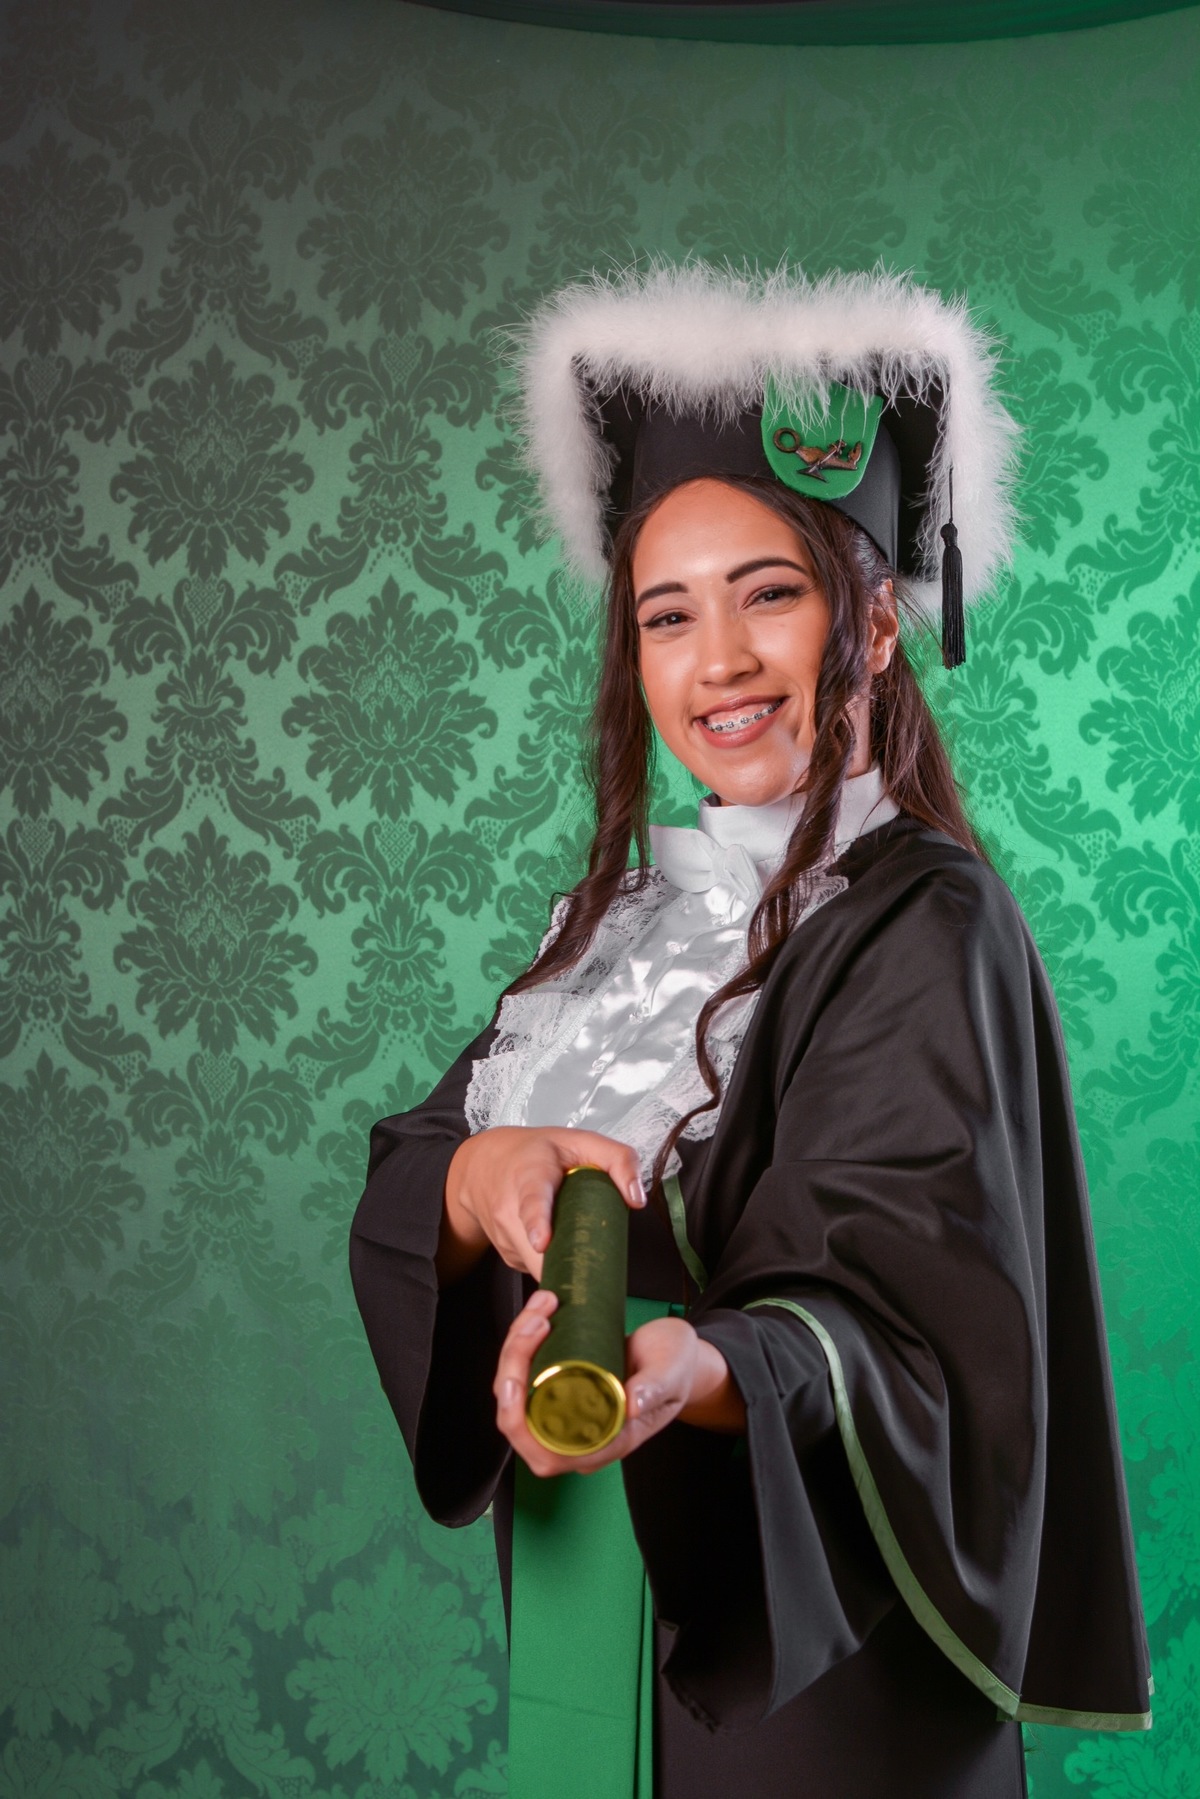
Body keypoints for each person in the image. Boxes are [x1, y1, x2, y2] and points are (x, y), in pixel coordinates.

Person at [349, 265, 1151, 1799]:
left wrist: (699, 1372)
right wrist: (475, 1182)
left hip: (815, 1657)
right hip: (594, 1598)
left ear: (876, 626)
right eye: (668, 615)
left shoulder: (923, 917)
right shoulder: (620, 927)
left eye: (769, 593)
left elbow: (905, 1312)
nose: (715, 660)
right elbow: (414, 1165)